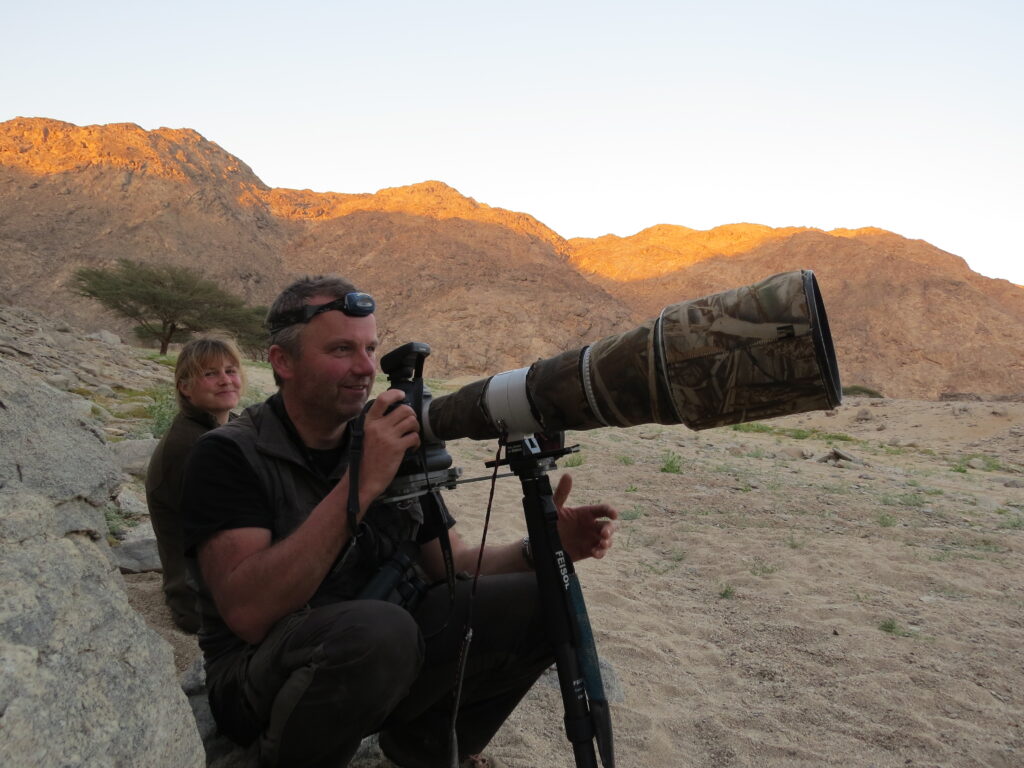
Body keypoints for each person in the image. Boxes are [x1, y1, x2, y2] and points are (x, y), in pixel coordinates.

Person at [181, 275, 617, 768]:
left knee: (545, 596)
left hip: (382, 650)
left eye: (370, 348)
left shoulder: (386, 437)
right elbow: (249, 613)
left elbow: (453, 564)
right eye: (342, 349)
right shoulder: (228, 454)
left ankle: (426, 752)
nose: (366, 368)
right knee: (380, 630)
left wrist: (541, 549)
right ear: (283, 362)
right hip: (257, 680)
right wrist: (362, 482)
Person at [145, 336, 245, 633]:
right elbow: (230, 532)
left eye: (231, 370)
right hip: (203, 602)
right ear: (185, 387)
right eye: (210, 374)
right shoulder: (193, 446)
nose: (226, 381)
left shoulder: (227, 428)